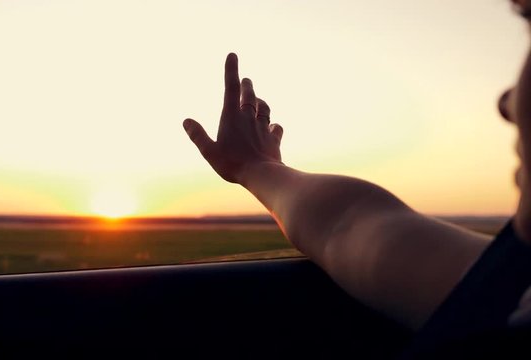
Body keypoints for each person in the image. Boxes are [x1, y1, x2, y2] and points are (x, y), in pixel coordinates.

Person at [183, 1, 531, 357]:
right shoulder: (518, 287)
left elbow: (349, 225)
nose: (507, 102)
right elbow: (348, 227)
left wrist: (254, 167)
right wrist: (256, 167)